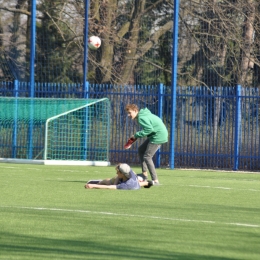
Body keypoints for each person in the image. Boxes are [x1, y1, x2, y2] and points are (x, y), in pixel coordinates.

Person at [125, 104, 168, 185]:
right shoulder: (143, 115)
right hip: (155, 135)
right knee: (141, 150)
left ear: (135, 111)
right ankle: (144, 174)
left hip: (158, 136)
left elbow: (149, 129)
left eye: (130, 113)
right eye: (128, 113)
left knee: (147, 157)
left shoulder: (141, 117)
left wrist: (136, 135)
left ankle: (155, 180)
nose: (129, 115)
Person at [84, 163, 154, 190]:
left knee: (108, 181)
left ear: (122, 173)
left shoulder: (126, 185)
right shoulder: (128, 170)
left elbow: (108, 187)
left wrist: (93, 186)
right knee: (138, 182)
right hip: (135, 182)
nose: (116, 173)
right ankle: (147, 183)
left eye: (118, 172)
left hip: (132, 184)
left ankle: (98, 182)